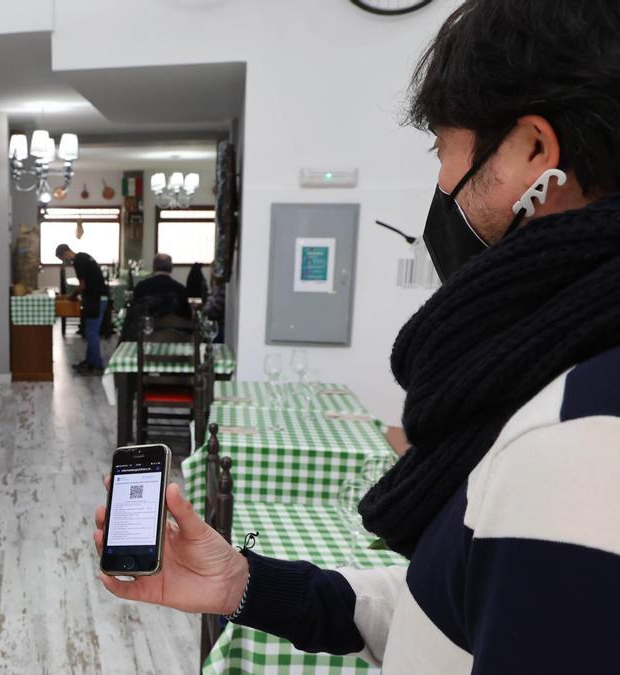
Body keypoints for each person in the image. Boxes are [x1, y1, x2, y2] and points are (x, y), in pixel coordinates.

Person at [95, 1, 620, 672]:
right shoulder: (545, 376)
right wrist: (244, 582)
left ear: (533, 153)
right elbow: (457, 607)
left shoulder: (582, 435)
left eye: (442, 148)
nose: (439, 182)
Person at [56, 244, 107, 374]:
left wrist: (72, 296)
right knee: (90, 332)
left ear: (65, 253)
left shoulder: (78, 261)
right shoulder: (83, 256)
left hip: (96, 299)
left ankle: (97, 365)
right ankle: (89, 362)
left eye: (62, 258)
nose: (64, 262)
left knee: (91, 333)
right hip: (98, 298)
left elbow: (82, 286)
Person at [132, 253, 190, 319]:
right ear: (171, 268)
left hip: (145, 327)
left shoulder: (141, 287)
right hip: (174, 328)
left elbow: (134, 313)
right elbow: (187, 316)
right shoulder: (180, 289)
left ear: (153, 267)